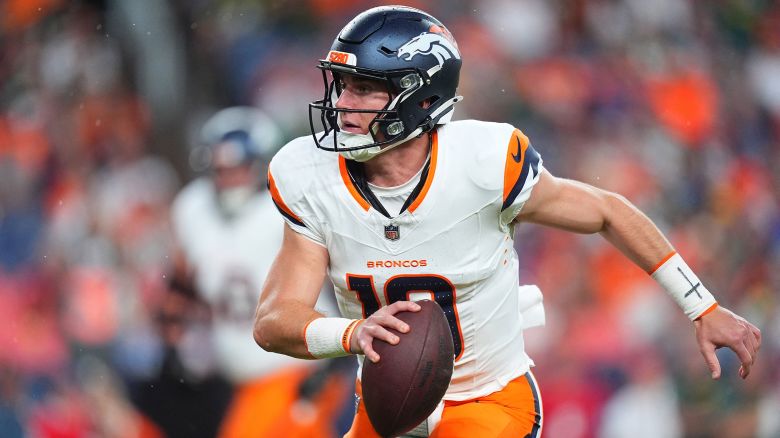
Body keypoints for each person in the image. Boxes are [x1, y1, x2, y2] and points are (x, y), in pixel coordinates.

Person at [253, 6, 762, 438]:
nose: (342, 105)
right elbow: (273, 322)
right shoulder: (310, 177)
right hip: (388, 408)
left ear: (421, 98)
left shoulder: (484, 163)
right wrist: (351, 333)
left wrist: (702, 306)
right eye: (341, 87)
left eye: (364, 90)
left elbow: (608, 211)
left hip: (490, 400)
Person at [168, 106, 352, 437]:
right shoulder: (193, 209)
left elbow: (340, 279)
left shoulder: (282, 211)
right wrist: (180, 335)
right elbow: (182, 285)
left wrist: (337, 361)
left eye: (238, 168)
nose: (229, 179)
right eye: (221, 169)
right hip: (242, 382)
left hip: (297, 370)